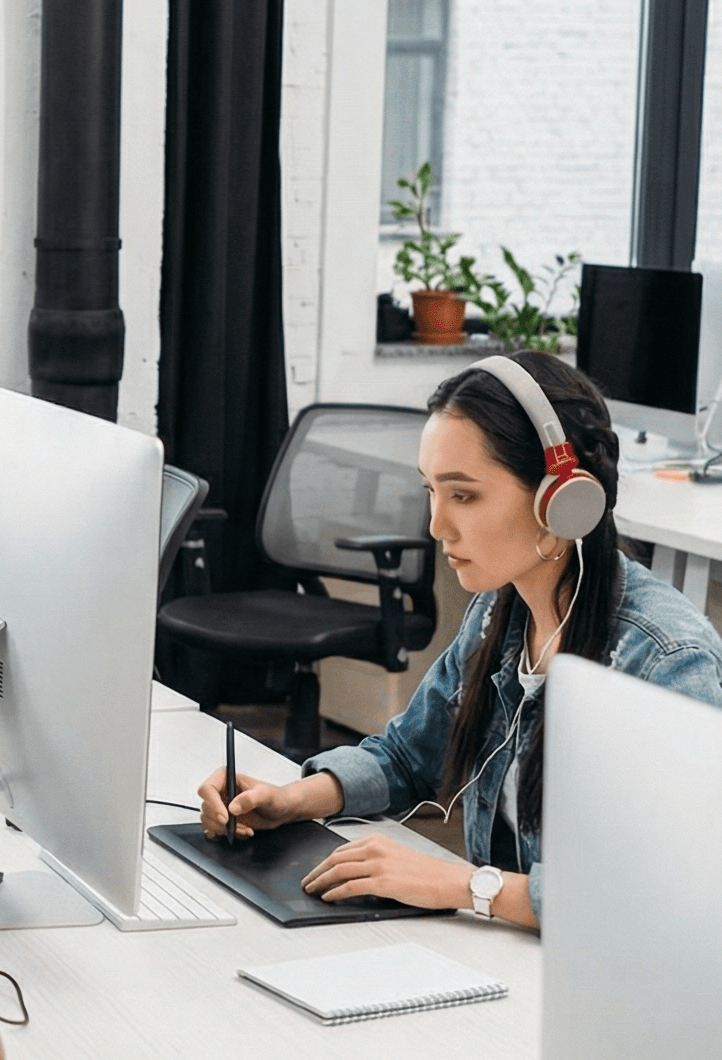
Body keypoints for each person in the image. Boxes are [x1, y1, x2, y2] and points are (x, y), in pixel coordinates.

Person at [197, 351, 722, 929]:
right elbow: (407, 756)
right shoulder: (500, 613)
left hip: (604, 988)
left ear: (561, 501)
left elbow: (673, 895)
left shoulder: (669, 663)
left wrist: (466, 885)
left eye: (463, 495)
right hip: (505, 952)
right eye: (431, 491)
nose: (435, 525)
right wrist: (294, 799)